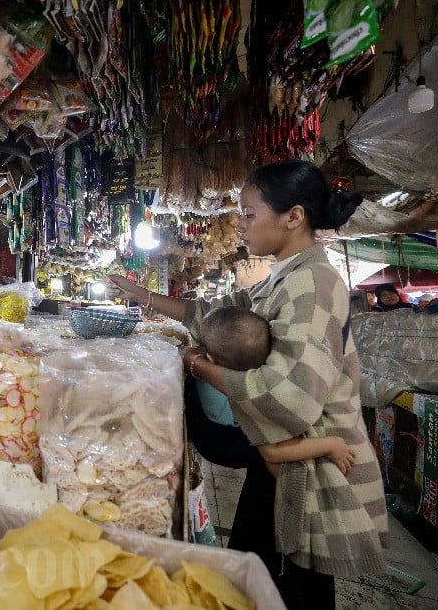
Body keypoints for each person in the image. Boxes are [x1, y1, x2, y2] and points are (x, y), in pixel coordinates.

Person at [107, 160, 387, 609]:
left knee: (287, 590)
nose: (240, 224)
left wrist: (198, 366)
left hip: (306, 467)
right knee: (262, 582)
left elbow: (287, 397)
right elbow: (212, 316)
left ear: (293, 216)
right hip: (285, 462)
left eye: (250, 212)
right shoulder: (284, 275)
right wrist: (142, 296)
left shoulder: (312, 284)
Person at [197, 306, 356, 478]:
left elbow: (271, 452)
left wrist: (331, 446)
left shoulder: (246, 393)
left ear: (212, 360)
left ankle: (329, 445)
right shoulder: (277, 369)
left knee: (272, 454)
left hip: (256, 446)